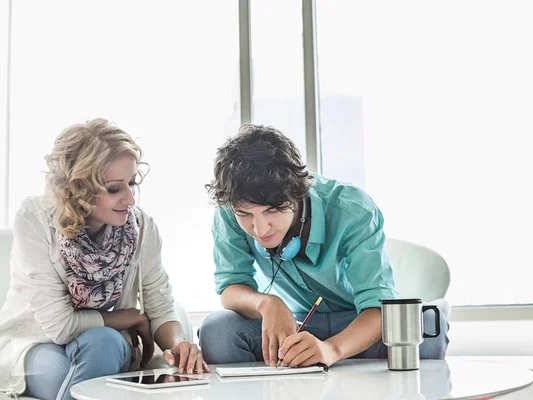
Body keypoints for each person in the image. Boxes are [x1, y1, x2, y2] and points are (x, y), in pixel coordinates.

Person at [200, 124, 449, 368]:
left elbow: (377, 308)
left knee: (427, 332)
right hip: (299, 324)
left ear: (296, 192)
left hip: (360, 323)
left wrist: (331, 349)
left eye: (272, 210)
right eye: (245, 214)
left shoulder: (353, 209)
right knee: (216, 333)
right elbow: (230, 287)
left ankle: (335, 355)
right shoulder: (230, 209)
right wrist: (266, 304)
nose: (260, 229)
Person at [0, 118, 209, 400]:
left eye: (132, 183)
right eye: (114, 189)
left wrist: (179, 344)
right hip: (38, 342)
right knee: (75, 374)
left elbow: (160, 305)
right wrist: (129, 317)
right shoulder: (35, 220)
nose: (131, 200)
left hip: (105, 343)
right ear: (78, 189)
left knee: (103, 343)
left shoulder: (141, 227)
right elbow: (61, 327)